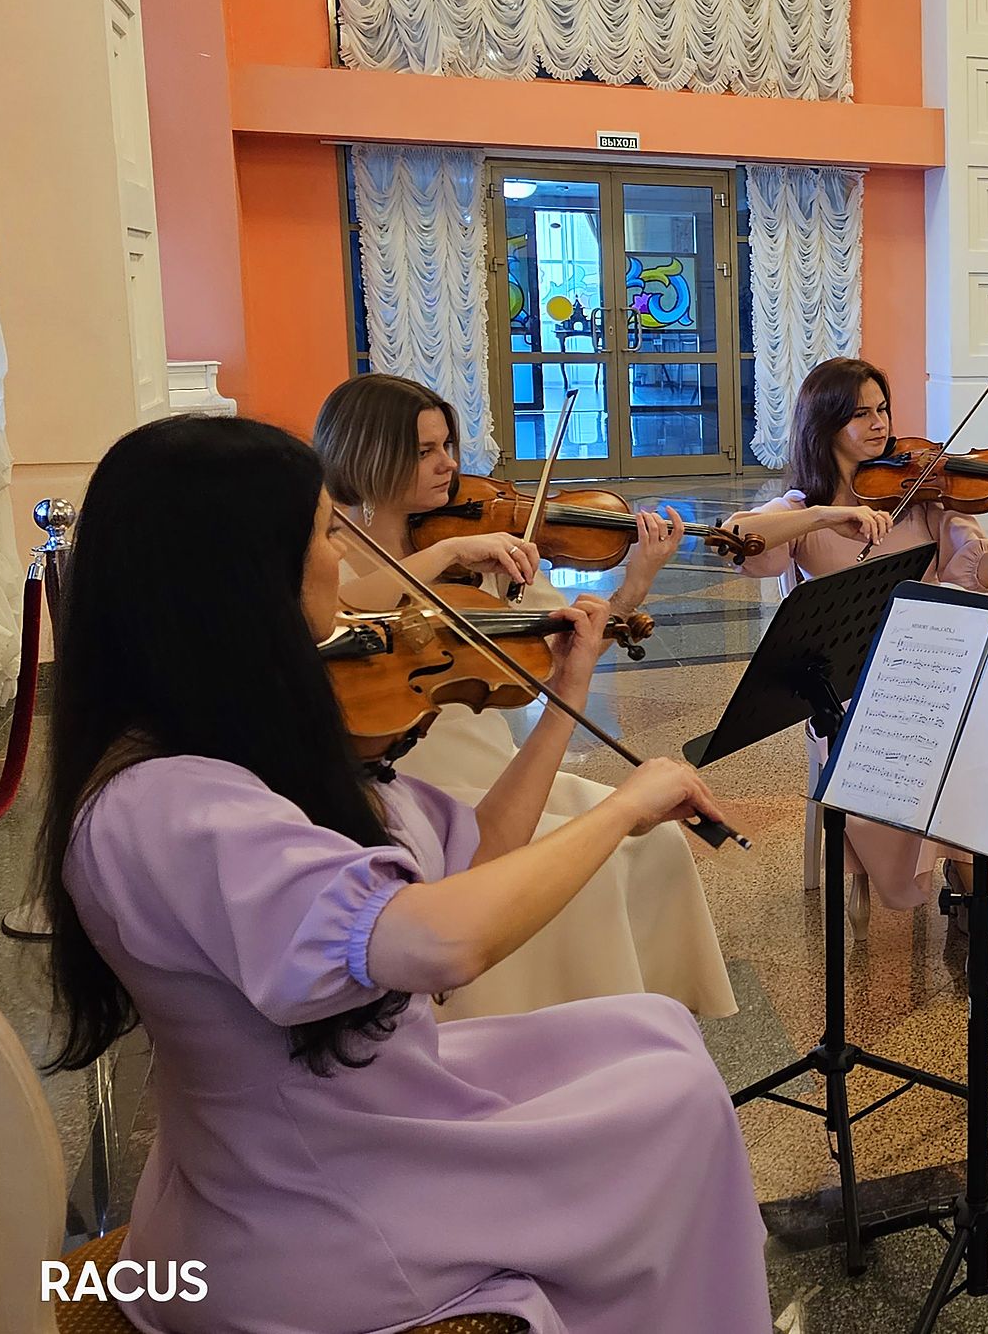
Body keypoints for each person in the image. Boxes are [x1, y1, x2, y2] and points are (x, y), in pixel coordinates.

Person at [35, 416, 770, 1333]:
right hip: (302, 1219)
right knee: (670, 1116)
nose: (341, 570)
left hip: (319, 1134)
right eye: (320, 540)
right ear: (240, 582)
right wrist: (622, 809)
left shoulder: (220, 748)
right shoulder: (169, 806)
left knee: (656, 1035)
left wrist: (563, 700)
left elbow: (477, 853)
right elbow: (443, 941)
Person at [313, 373, 734, 1021]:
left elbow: (560, 633)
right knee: (592, 875)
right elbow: (352, 608)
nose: (449, 463)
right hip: (425, 789)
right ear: (368, 453)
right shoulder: (330, 548)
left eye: (446, 444)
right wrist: (452, 548)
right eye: (427, 450)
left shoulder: (463, 552)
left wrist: (634, 585)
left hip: (501, 772)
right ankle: (575, 1031)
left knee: (659, 839)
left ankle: (656, 1021)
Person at [718, 357, 988, 1009]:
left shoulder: (924, 499)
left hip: (936, 671)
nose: (879, 423)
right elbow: (739, 538)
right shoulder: (803, 508)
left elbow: (987, 575)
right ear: (822, 423)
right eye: (861, 412)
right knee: (945, 738)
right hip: (851, 698)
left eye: (883, 408)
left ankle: (981, 889)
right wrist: (826, 519)